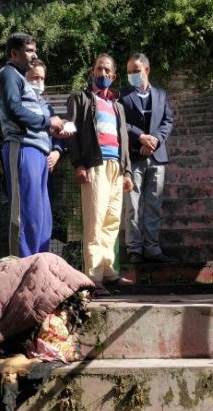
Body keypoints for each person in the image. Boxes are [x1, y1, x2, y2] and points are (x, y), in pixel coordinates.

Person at [0, 32, 66, 257]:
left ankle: (38, 267)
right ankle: (20, 268)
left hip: (39, 151)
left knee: (41, 215)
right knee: (25, 212)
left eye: (35, 50)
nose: (35, 55)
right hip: (22, 147)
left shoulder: (21, 78)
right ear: (14, 53)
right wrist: (47, 121)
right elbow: (14, 110)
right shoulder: (8, 75)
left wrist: (53, 130)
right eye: (29, 51)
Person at [66, 53, 134, 296]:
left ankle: (108, 273)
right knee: (94, 222)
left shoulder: (117, 106)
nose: (102, 74)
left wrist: (126, 171)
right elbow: (71, 132)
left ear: (113, 76)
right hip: (94, 165)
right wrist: (78, 164)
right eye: (98, 70)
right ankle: (92, 278)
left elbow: (123, 140)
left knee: (112, 222)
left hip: (116, 168)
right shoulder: (81, 99)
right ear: (92, 73)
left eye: (107, 71)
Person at [120, 52, 174, 264]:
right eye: (129, 72)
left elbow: (168, 121)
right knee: (132, 205)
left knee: (154, 204)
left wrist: (155, 141)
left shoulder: (161, 94)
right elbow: (120, 123)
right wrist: (140, 137)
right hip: (134, 157)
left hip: (157, 157)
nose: (133, 74)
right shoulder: (122, 96)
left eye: (136, 71)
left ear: (147, 70)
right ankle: (134, 248)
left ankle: (152, 247)